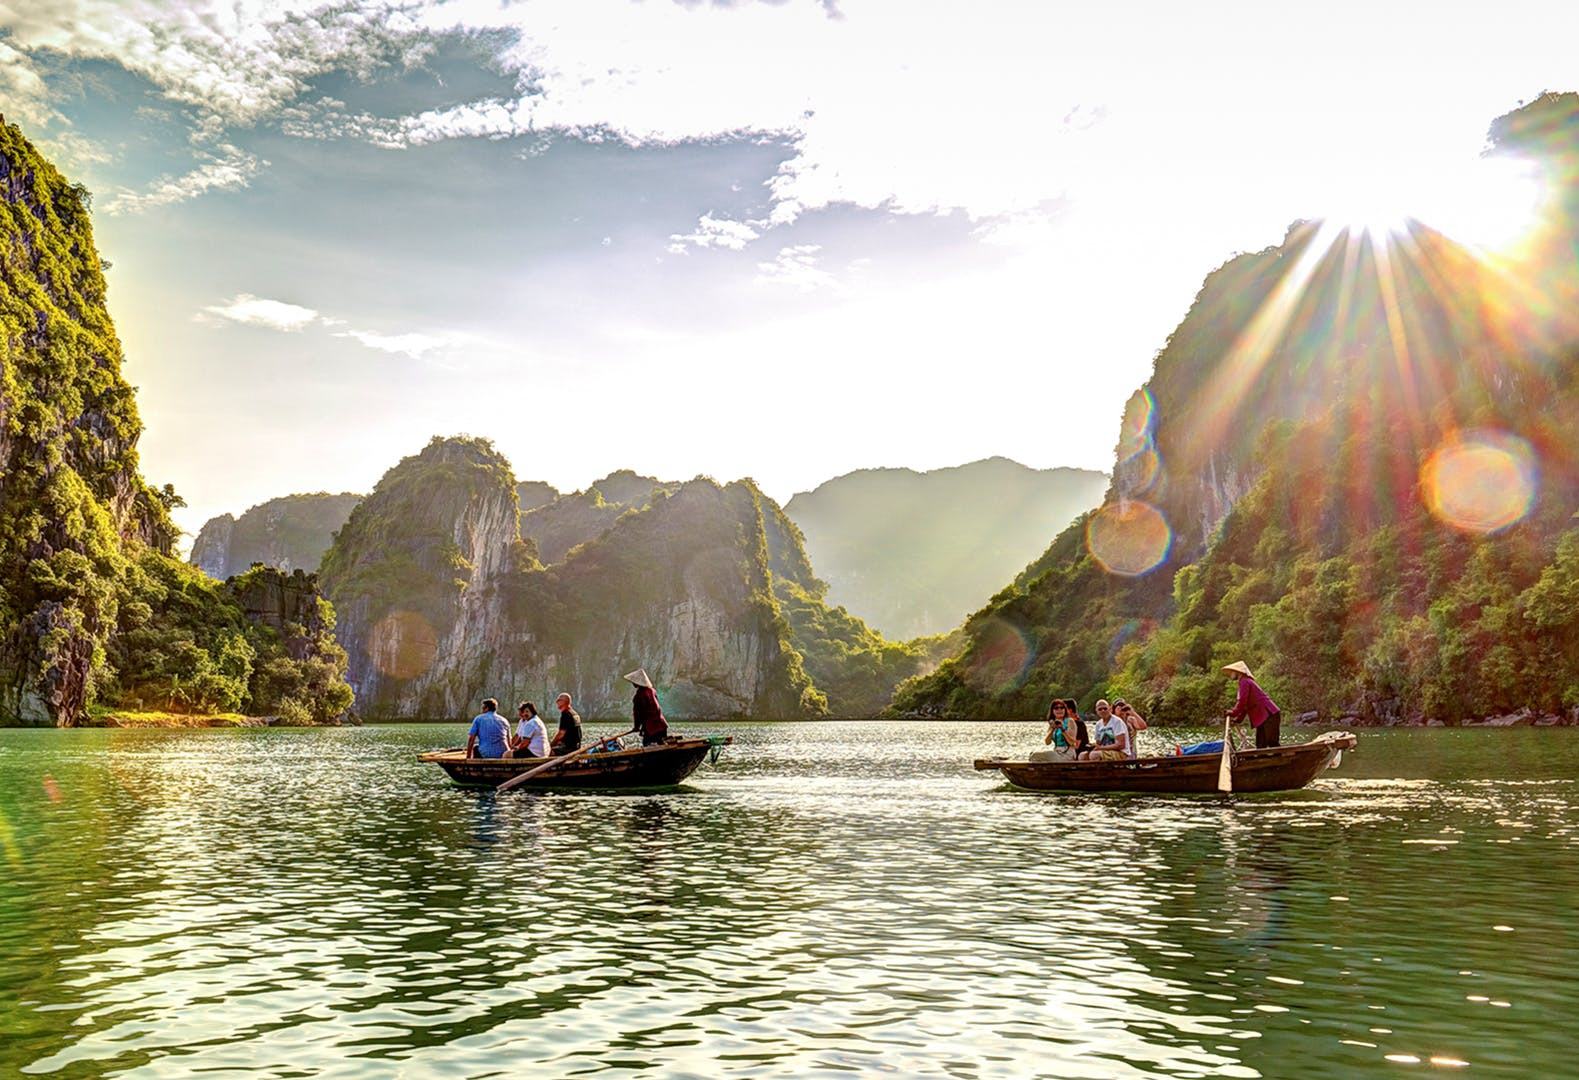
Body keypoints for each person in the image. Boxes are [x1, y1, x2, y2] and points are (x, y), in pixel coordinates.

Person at [1224, 661, 1281, 748]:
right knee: (1260, 745)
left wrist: (1233, 712)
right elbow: (1245, 705)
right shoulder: (1245, 682)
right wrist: (1238, 719)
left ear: (1238, 672)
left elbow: (1242, 701)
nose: (1231, 674)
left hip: (1269, 714)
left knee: (1272, 743)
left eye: (1232, 672)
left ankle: (1281, 760)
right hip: (1264, 717)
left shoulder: (1244, 681)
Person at [625, 668, 669, 746]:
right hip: (662, 725)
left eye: (633, 681)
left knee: (647, 745)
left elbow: (637, 714)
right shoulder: (652, 691)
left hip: (651, 727)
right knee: (661, 744)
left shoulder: (639, 695)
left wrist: (636, 727)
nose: (632, 683)